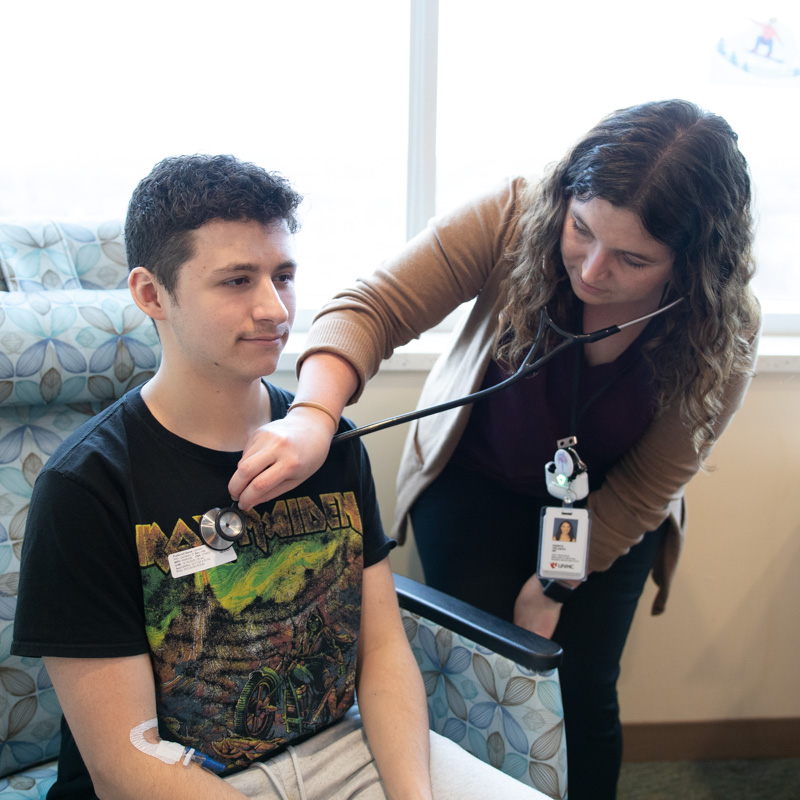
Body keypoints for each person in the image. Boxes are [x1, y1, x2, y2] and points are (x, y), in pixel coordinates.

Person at [226, 100, 761, 800]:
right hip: (474, 482)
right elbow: (371, 307)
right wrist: (314, 413)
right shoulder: (515, 214)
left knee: (579, 685)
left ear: (691, 267)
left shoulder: (722, 329)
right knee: (464, 674)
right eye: (581, 231)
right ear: (564, 200)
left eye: (632, 259)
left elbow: (646, 486)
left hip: (609, 509)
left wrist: (552, 586)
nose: (593, 271)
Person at [11, 155, 547, 800]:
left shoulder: (330, 442)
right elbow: (127, 765)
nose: (275, 308)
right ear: (152, 294)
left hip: (340, 750)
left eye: (283, 276)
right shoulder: (87, 485)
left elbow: (379, 655)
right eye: (237, 280)